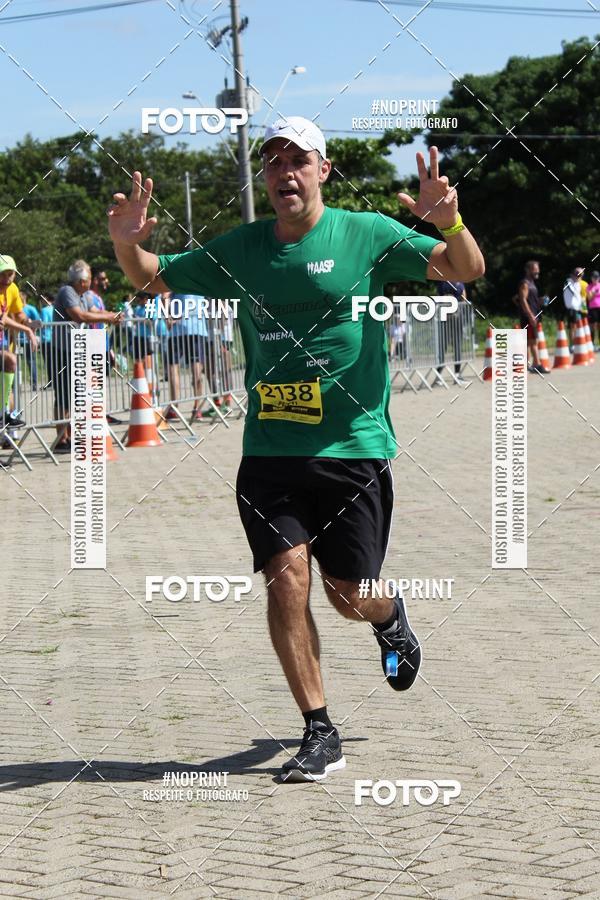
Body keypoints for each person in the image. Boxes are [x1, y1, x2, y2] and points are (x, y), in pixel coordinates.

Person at [109, 119, 484, 782]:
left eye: (298, 160)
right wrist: (125, 243)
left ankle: (389, 615)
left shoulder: (366, 233)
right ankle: (318, 730)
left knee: (347, 592)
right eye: (273, 162)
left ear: (323, 170)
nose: (285, 172)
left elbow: (466, 269)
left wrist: (449, 225)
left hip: (353, 447)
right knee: (286, 579)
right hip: (270, 452)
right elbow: (151, 277)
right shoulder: (245, 247)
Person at [51, 260, 122, 451]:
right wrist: (108, 317)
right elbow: (79, 316)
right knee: (64, 394)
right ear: (81, 281)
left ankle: (70, 435)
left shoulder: (83, 295)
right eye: (89, 278)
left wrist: (112, 314)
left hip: (76, 349)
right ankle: (61, 438)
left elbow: (94, 311)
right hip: (61, 350)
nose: (91, 281)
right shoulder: (68, 292)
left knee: (74, 394)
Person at [0, 254, 38, 430]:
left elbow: (18, 313)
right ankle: (3, 415)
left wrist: (28, 322)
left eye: (10, 274)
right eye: (2, 274)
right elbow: (4, 319)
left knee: (10, 366)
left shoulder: (13, 289)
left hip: (5, 343)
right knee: (10, 361)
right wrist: (27, 330)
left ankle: (4, 416)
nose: (7, 279)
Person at [515, 260, 547, 374]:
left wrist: (540, 301)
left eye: (538, 269)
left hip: (533, 315)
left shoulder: (532, 283)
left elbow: (528, 300)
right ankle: (534, 364)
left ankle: (533, 364)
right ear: (528, 270)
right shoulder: (525, 283)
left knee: (531, 341)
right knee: (530, 341)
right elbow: (522, 300)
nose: (537, 271)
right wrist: (530, 315)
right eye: (535, 269)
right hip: (528, 317)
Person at [436, 279, 468, 385]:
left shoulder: (459, 280)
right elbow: (441, 296)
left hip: (458, 315)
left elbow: (464, 296)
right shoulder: (442, 281)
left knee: (457, 345)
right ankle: (438, 375)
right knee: (443, 345)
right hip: (445, 316)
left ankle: (457, 374)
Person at [563, 267, 585, 347]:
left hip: (578, 308)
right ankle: (572, 345)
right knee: (572, 327)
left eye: (581, 276)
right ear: (573, 275)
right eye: (579, 275)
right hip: (571, 309)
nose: (580, 277)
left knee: (576, 327)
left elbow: (579, 297)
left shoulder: (577, 283)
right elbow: (574, 293)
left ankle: (576, 344)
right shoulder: (568, 282)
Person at [586, 271, 600, 351]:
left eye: (597, 277)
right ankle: (592, 344)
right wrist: (594, 292)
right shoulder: (589, 287)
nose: (595, 279)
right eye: (594, 277)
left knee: (599, 326)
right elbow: (589, 298)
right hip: (592, 308)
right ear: (591, 278)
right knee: (592, 326)